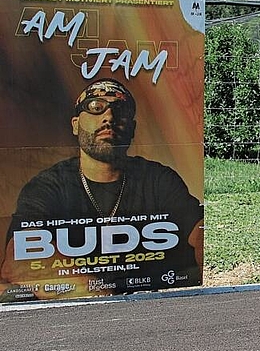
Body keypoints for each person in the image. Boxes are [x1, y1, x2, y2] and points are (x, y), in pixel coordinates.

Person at [1, 78, 204, 299]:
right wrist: (104, 299)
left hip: (145, 300)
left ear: (132, 128)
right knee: (10, 293)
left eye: (120, 109)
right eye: (95, 107)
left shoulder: (158, 179)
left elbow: (199, 232)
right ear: (76, 124)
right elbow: (18, 259)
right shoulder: (49, 185)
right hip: (77, 308)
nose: (109, 117)